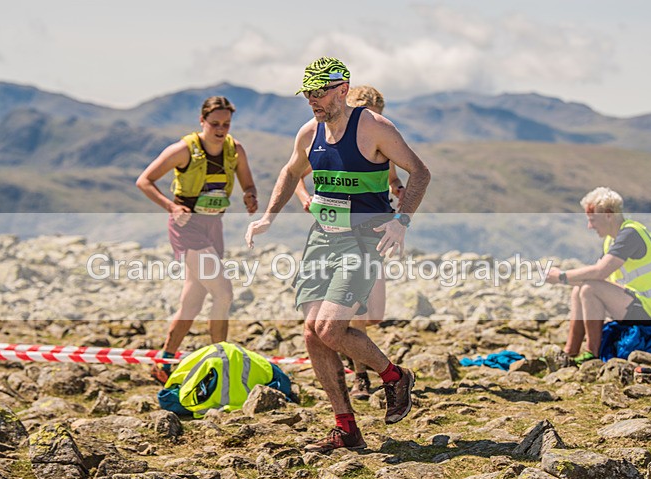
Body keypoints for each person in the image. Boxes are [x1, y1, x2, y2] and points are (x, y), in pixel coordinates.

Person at [245, 57, 431, 452]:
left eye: (320, 92)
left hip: (363, 239)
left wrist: (402, 221)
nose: (313, 100)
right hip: (322, 239)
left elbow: (420, 172)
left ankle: (394, 376)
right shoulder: (309, 132)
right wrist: (267, 218)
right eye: (308, 93)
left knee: (330, 329)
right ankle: (346, 427)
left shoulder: (374, 128)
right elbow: (291, 172)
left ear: (342, 90)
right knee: (313, 335)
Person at [136, 96, 258, 384]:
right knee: (224, 292)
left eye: (226, 124)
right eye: (214, 123)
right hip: (186, 227)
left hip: (214, 226)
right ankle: (220, 361)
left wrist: (250, 195)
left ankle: (165, 361)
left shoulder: (235, 149)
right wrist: (171, 207)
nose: (220, 129)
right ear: (202, 121)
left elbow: (248, 182)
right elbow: (144, 180)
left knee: (193, 300)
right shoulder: (183, 150)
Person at [294, 85, 404, 401]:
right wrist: (306, 198)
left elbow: (392, 175)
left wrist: (397, 189)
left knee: (371, 315)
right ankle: (360, 378)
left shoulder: (378, 138)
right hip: (334, 236)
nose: (373, 122)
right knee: (342, 316)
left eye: (377, 117)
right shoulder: (331, 141)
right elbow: (295, 175)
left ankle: (371, 371)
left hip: (374, 233)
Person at [545, 187, 651, 363]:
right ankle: (570, 352)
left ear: (608, 215)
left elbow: (600, 272)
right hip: (640, 305)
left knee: (589, 289)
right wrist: (565, 279)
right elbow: (594, 274)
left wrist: (561, 276)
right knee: (580, 288)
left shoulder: (630, 233)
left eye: (592, 220)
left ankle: (592, 355)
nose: (589, 226)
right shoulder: (612, 239)